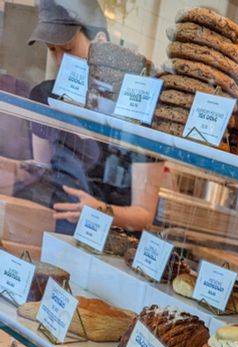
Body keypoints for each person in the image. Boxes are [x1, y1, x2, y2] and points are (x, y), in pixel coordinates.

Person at [17, 0, 163, 234]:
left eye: (68, 49)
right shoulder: (44, 98)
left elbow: (144, 214)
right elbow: (41, 172)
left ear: (101, 44)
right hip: (51, 231)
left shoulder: (136, 114)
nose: (59, 62)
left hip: (109, 243)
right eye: (52, 49)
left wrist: (100, 211)